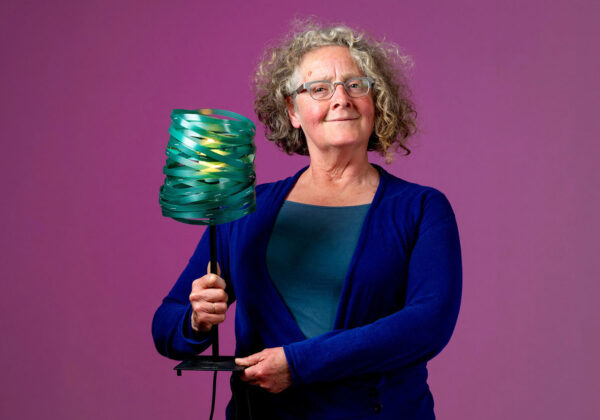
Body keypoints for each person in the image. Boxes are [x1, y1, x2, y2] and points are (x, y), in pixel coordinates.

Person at [152, 22, 462, 420]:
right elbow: (166, 326)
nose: (341, 99)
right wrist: (196, 320)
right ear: (292, 111)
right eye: (319, 89)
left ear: (376, 101)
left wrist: (299, 364)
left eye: (356, 85)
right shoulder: (245, 210)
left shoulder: (421, 208)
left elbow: (428, 326)